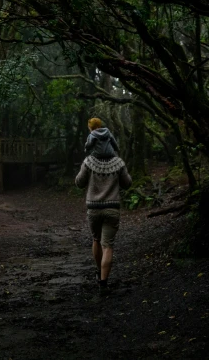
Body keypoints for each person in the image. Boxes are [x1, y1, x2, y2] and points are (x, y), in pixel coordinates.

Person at [76, 119, 132, 295]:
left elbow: (79, 182)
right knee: (108, 245)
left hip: (93, 209)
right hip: (112, 209)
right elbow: (127, 183)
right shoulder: (118, 162)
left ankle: (98, 271)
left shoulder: (89, 162)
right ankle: (103, 283)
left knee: (96, 240)